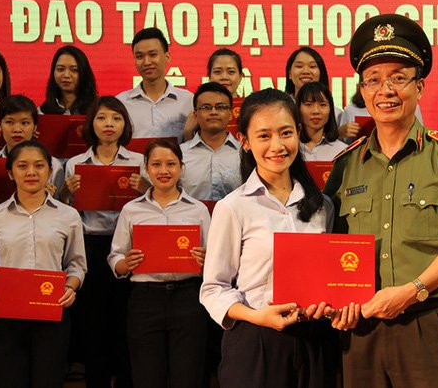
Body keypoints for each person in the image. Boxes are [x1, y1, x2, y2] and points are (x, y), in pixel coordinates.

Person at [323, 14, 438, 388]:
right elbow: (329, 246)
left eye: (398, 78)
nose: (385, 90)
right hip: (361, 327)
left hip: (428, 322)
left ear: (420, 87)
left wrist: (411, 291)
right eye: (373, 80)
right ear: (362, 90)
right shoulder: (345, 165)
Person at [200, 88, 336, 387]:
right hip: (255, 340)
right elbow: (213, 289)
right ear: (244, 141)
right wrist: (258, 316)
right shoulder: (233, 207)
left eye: (286, 133)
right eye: (264, 136)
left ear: (298, 132)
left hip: (314, 340)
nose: (277, 145)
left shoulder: (322, 206)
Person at [0, 140, 87, 388]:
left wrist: (71, 287)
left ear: (50, 171)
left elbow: (76, 264)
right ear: (10, 172)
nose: (31, 172)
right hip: (6, 316)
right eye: (22, 166)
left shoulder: (68, 216)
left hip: (52, 312)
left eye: (39, 166)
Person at [108, 139, 210, 388]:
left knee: (188, 376)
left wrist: (206, 260)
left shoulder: (198, 210)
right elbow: (115, 257)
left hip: (188, 298)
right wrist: (126, 263)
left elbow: (214, 259)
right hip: (145, 300)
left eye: (171, 164)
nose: (164, 170)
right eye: (156, 164)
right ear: (146, 169)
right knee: (147, 376)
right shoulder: (131, 210)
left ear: (182, 167)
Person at [61, 96, 147, 388]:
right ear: (91, 124)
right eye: (101, 118)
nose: (108, 124)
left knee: (125, 321)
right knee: (93, 322)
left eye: (116, 118)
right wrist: (66, 193)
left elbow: (152, 204)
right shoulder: (75, 164)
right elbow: (66, 212)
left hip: (128, 247)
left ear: (125, 124)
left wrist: (145, 188)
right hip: (91, 245)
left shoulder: (139, 162)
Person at [0, 95, 65, 202]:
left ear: (35, 126)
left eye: (25, 123)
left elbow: (61, 206)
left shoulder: (53, 165)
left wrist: (50, 199)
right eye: (9, 122)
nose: (17, 129)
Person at [116, 27, 194, 142]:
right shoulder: (120, 103)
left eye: (153, 55)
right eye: (139, 57)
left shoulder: (189, 101)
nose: (147, 62)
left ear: (167, 57)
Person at [179, 82, 241, 201]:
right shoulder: (180, 154)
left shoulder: (245, 154)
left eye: (220, 107)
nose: (213, 112)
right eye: (206, 107)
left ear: (230, 114)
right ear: (196, 115)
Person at [284, 46, 343, 125]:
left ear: (321, 73)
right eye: (299, 66)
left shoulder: (336, 115)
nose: (306, 71)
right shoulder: (280, 110)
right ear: (290, 74)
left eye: (312, 66)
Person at [40, 45, 98, 115]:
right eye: (60, 69)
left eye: (74, 70)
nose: (66, 75)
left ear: (84, 73)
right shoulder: (41, 112)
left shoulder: (97, 110)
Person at [296, 81, 347, 161]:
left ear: (330, 109)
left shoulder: (343, 151)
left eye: (323, 105)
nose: (316, 111)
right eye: (309, 104)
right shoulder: (289, 147)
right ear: (298, 108)